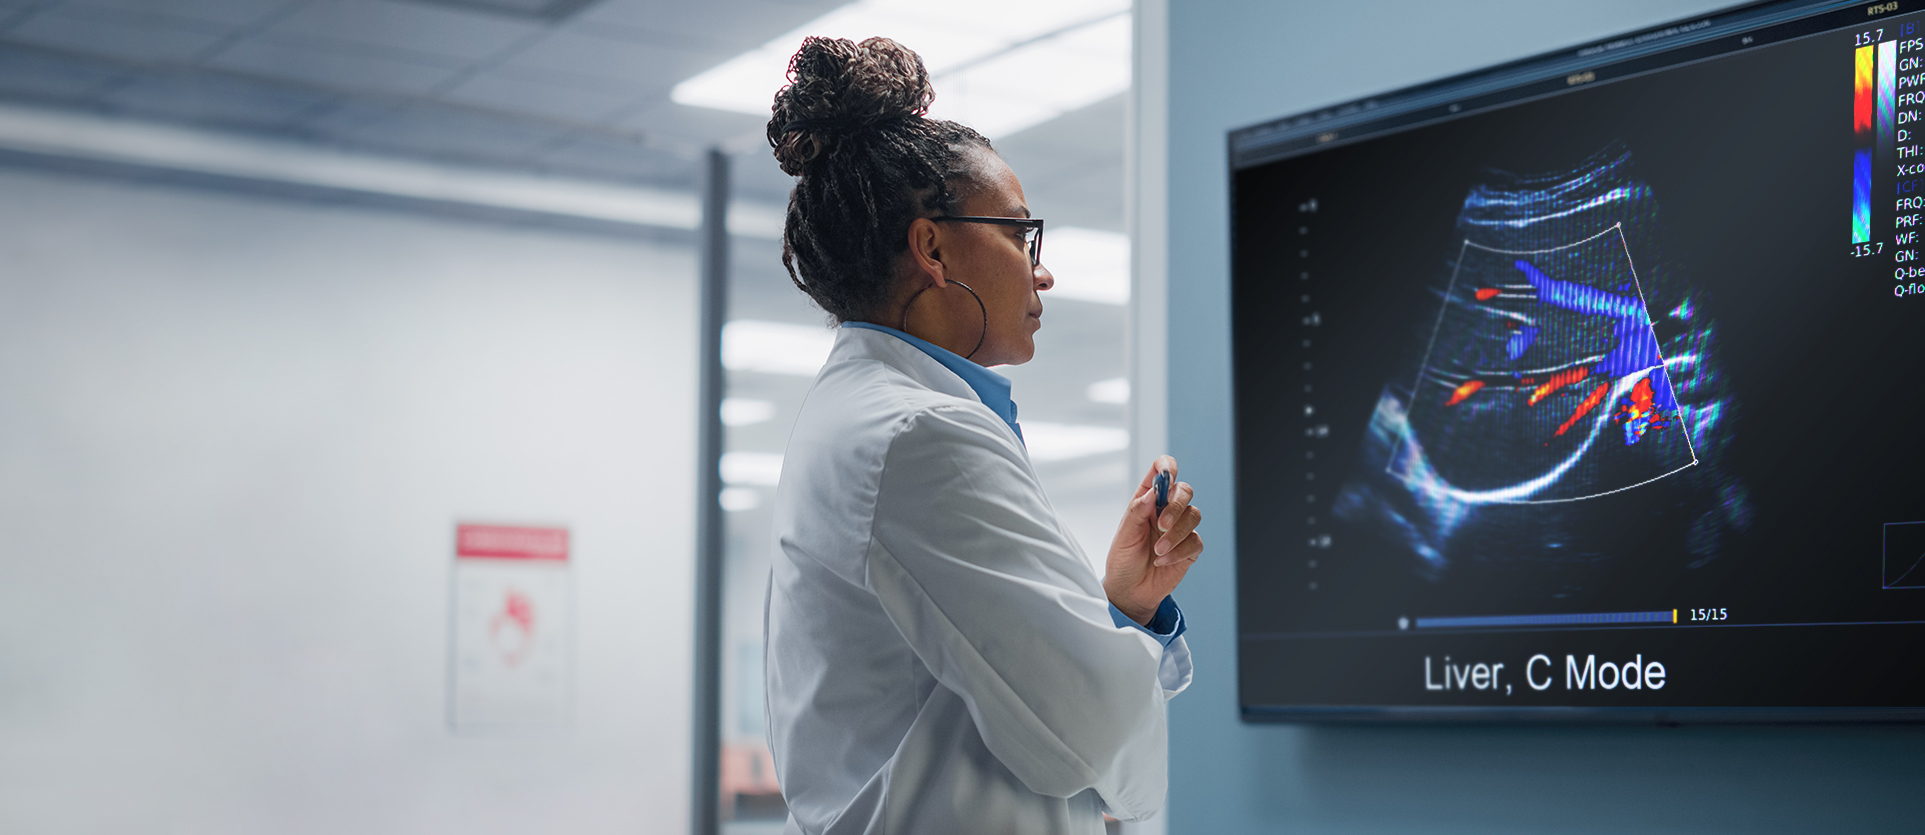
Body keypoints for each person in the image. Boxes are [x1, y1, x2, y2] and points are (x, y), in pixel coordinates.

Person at [762, 36, 1204, 835]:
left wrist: (1123, 608)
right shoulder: (919, 433)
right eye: (1018, 234)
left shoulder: (867, 413)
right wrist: (1114, 661)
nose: (1041, 271)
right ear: (931, 247)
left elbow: (1001, 689)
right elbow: (1086, 734)